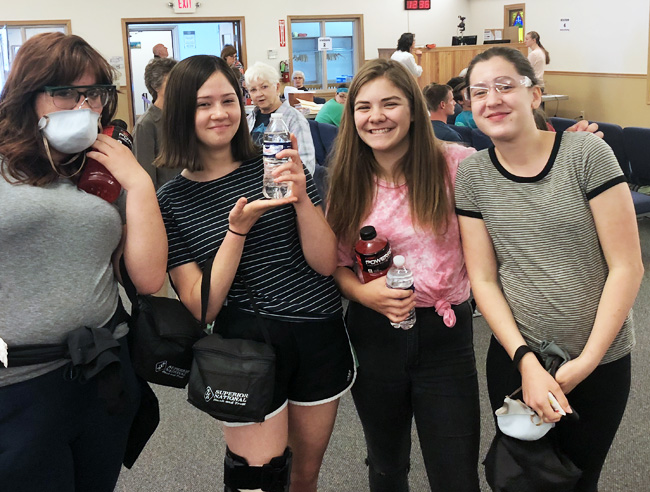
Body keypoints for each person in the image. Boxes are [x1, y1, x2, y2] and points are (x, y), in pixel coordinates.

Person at [154, 55, 355, 492]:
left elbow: (325, 264)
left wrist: (302, 198)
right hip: (243, 349)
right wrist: (236, 230)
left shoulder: (279, 164)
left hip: (317, 332)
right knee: (257, 482)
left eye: (228, 100)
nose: (219, 113)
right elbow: (202, 304)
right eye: (203, 104)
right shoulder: (171, 200)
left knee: (304, 475)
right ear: (182, 113)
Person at [454, 46, 642, 492]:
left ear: (535, 94)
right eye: (478, 92)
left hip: (600, 361)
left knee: (580, 479)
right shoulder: (473, 175)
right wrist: (526, 362)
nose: (491, 99)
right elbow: (482, 278)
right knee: (523, 476)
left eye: (505, 86)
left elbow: (627, 266)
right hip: (516, 360)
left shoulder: (586, 155)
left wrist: (587, 362)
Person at [0, 32, 167, 491]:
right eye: (65, 92)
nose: (84, 105)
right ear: (27, 97)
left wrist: (139, 184)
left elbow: (148, 278)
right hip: (18, 384)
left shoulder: (105, 168)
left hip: (102, 371)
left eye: (94, 93)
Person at [327, 58, 480, 492]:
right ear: (351, 115)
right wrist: (363, 294)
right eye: (364, 107)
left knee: (455, 473)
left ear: (413, 108)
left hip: (444, 335)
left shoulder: (455, 164)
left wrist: (565, 141)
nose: (376, 117)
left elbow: (516, 169)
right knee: (387, 465)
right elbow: (337, 264)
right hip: (374, 335)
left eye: (389, 104)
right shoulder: (348, 179)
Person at [245, 61, 316, 175]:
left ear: (277, 87)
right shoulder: (249, 120)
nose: (259, 94)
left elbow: (307, 165)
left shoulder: (294, 120)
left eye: (264, 87)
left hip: (280, 185)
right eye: (253, 90)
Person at [133, 57, 179, 190]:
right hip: (166, 199)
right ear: (155, 86)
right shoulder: (146, 124)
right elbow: (145, 177)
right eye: (172, 81)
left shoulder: (182, 115)